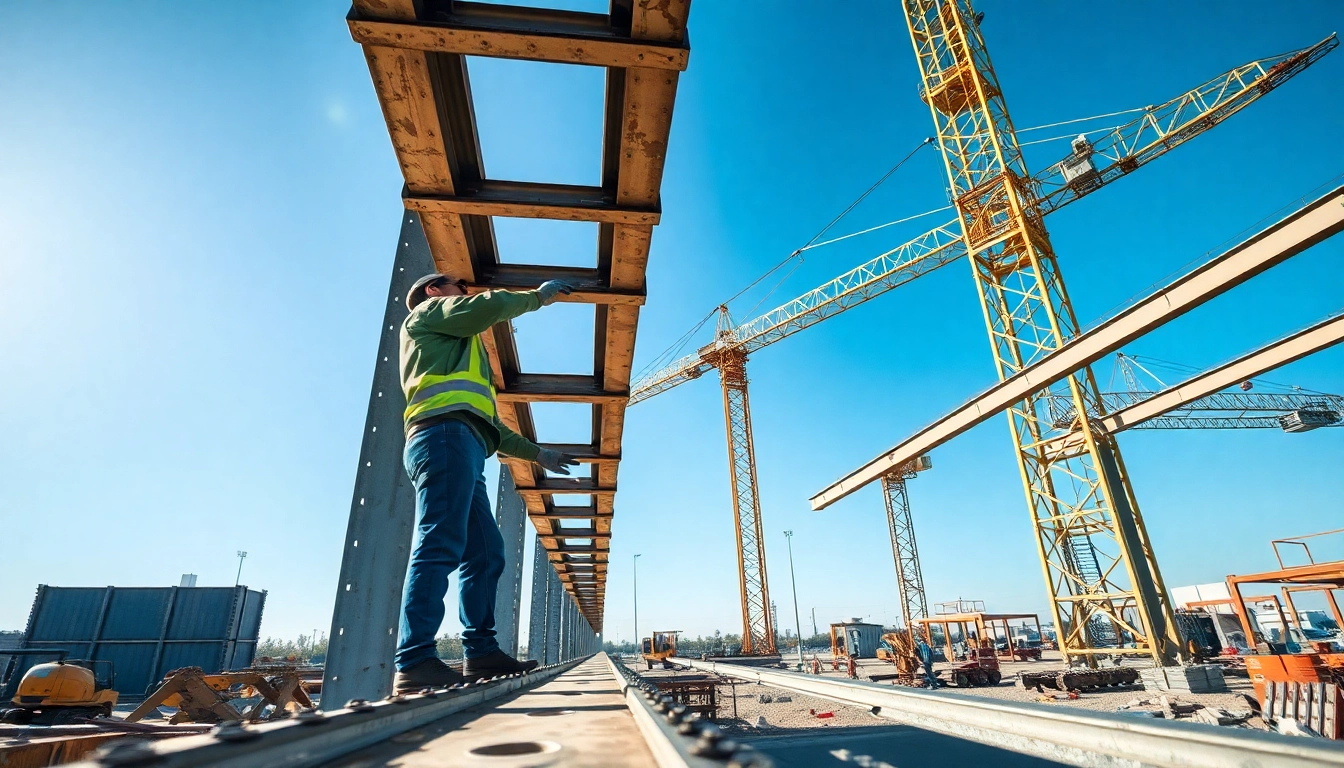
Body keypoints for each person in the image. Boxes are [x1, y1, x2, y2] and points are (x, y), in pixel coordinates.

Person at [393, 273, 580, 692]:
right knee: (440, 539)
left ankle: (480, 653)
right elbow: (486, 307)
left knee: (485, 551)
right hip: (444, 436)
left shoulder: (454, 349)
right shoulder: (427, 313)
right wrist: (536, 299)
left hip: (463, 441)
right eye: (457, 285)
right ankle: (414, 659)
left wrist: (540, 455)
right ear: (433, 289)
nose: (465, 289)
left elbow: (492, 424)